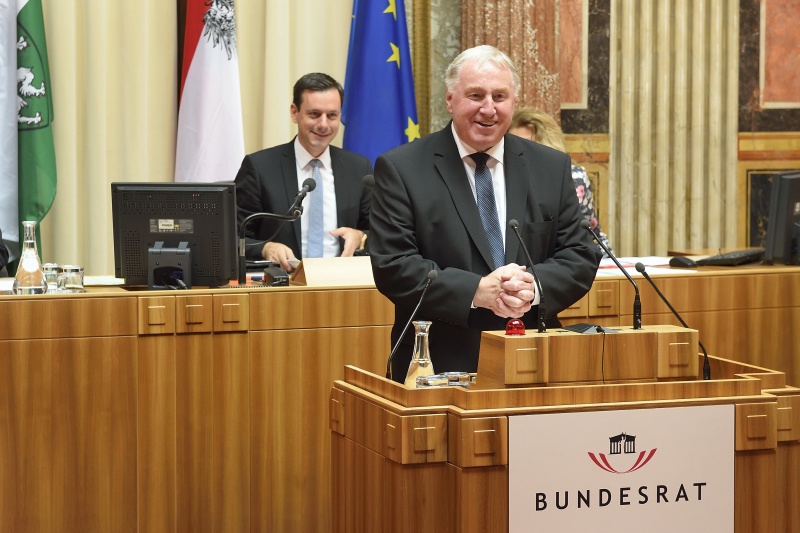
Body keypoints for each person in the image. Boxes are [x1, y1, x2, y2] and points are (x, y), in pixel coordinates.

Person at [369, 45, 601, 380]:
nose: (489, 108)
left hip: (534, 357)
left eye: (499, 96)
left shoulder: (551, 167)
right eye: (476, 95)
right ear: (450, 100)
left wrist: (533, 287)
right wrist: (476, 291)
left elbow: (579, 255)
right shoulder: (401, 168)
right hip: (438, 359)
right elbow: (394, 265)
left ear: (513, 102)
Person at [234, 73, 373, 272]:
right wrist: (265, 248)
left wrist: (361, 236)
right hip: (283, 283)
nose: (323, 124)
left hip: (343, 283)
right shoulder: (259, 167)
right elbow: (233, 237)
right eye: (314, 114)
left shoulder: (359, 168)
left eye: (332, 115)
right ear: (294, 112)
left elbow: (382, 233)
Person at [508, 108, 613, 256]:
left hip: (565, 262)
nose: (521, 152)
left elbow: (591, 234)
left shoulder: (574, 178)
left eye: (529, 145)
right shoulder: (501, 178)